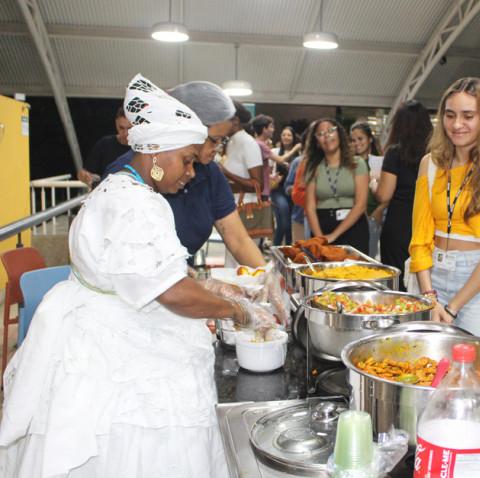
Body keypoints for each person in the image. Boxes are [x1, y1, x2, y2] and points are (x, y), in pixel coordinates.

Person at [0, 74, 278, 478]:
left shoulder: (127, 190)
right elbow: (171, 294)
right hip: (107, 343)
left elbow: (142, 269)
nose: (191, 170)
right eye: (186, 159)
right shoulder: (135, 204)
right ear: (155, 154)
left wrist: (209, 286)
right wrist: (239, 311)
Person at [104, 81, 265, 270]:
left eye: (223, 140)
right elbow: (137, 270)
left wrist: (265, 274)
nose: (217, 148)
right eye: (214, 140)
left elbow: (238, 240)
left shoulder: (210, 172)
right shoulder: (127, 178)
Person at [409, 77, 480, 341]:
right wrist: (429, 298)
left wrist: (452, 307)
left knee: (472, 374)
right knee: (428, 371)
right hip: (431, 280)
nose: (457, 125)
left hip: (479, 284)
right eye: (450, 115)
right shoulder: (430, 164)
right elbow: (419, 239)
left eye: (468, 116)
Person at [376, 100, 433, 290]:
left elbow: (384, 194)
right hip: (428, 224)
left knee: (397, 286)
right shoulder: (437, 153)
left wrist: (373, 184)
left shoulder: (395, 153)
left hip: (399, 225)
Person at [304, 118, 370, 253]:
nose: (326, 136)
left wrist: (334, 235)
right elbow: (309, 206)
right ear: (317, 142)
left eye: (330, 131)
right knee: (324, 273)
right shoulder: (313, 167)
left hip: (353, 226)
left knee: (356, 272)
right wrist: (320, 238)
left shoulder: (357, 163)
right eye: (321, 134)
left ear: (339, 134)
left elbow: (361, 204)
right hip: (322, 226)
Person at [220, 102, 264, 263]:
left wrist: (226, 173)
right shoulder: (231, 142)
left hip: (247, 210)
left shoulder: (248, 143)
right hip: (233, 207)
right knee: (232, 262)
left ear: (235, 120)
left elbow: (258, 184)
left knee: (242, 264)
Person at [350, 122, 384, 258]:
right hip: (353, 217)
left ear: (370, 139)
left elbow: (389, 189)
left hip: (372, 217)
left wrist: (379, 210)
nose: (356, 143)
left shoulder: (380, 162)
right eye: (353, 140)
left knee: (368, 258)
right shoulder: (350, 163)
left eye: (360, 139)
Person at [78, 107, 131, 187]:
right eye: (121, 128)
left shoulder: (143, 148)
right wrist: (86, 177)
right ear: (116, 123)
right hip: (107, 195)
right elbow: (82, 173)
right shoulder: (104, 144)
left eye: (130, 128)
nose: (125, 133)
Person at [270, 126, 301, 245]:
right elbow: (271, 167)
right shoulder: (275, 152)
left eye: (289, 135)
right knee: (285, 222)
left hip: (293, 192)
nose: (286, 137)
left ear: (293, 138)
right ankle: (278, 250)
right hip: (277, 191)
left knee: (286, 226)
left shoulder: (299, 154)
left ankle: (286, 251)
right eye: (283, 135)